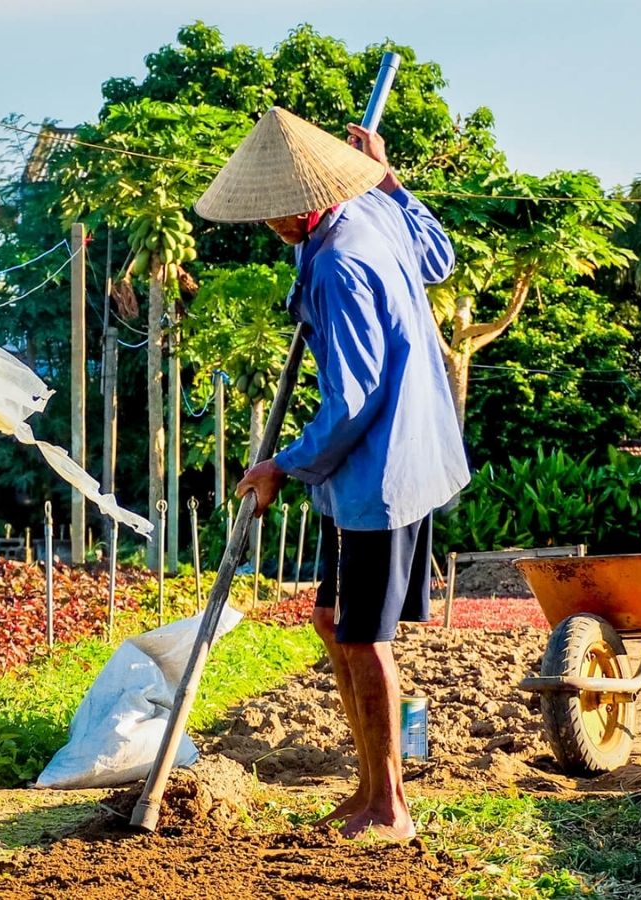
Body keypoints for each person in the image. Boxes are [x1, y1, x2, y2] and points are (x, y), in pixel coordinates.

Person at [194, 107, 470, 840]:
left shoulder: (342, 264)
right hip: (375, 467)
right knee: (331, 620)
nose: (271, 227)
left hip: (381, 470)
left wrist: (282, 465)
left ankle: (392, 807)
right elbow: (438, 256)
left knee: (362, 638)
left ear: (308, 198)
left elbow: (354, 398)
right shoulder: (371, 203)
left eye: (277, 214)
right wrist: (389, 176)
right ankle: (368, 786)